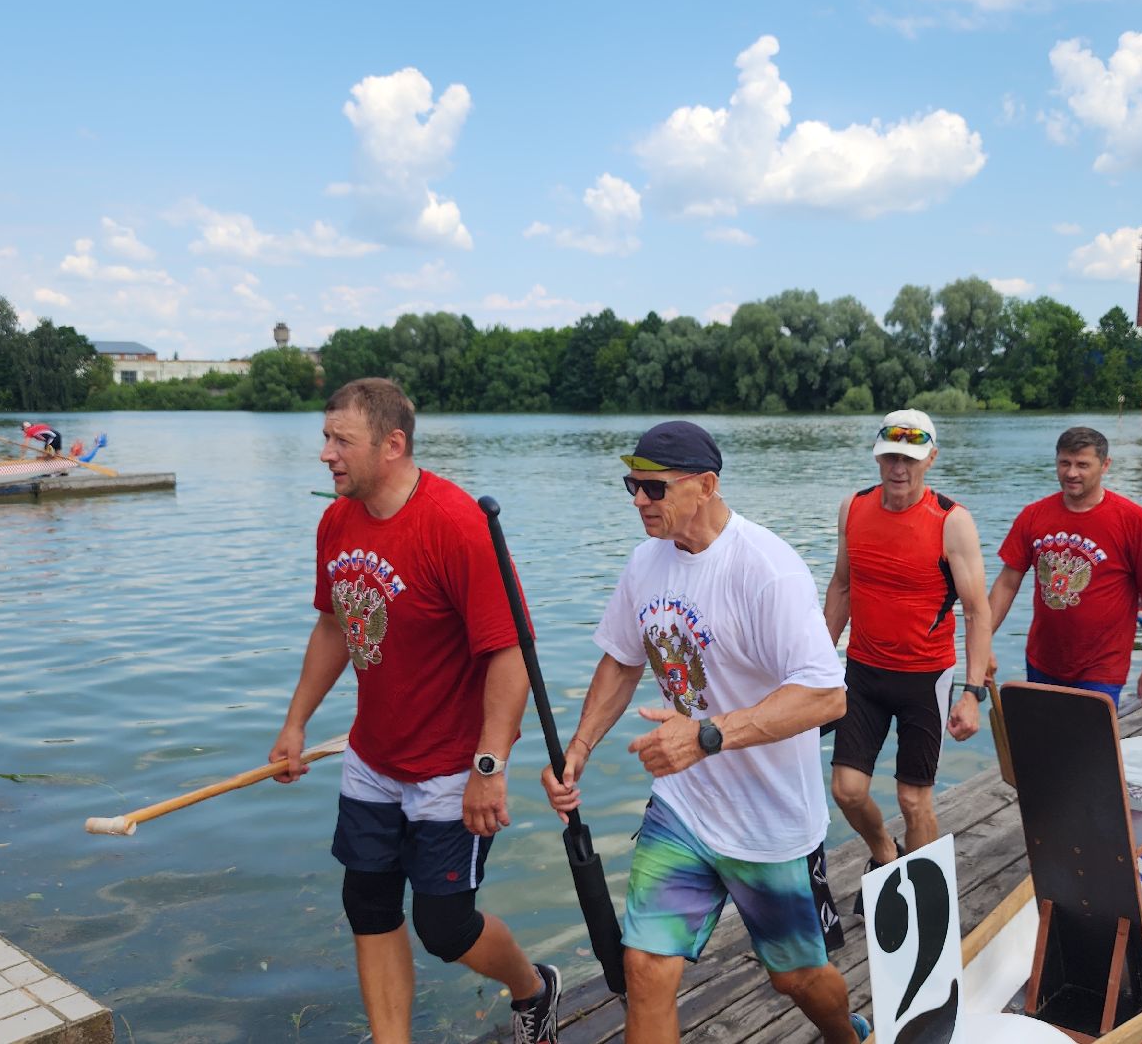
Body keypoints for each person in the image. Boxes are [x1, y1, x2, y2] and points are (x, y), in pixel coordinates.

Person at [545, 421, 869, 1044]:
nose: (638, 500)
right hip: (684, 809)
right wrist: (579, 748)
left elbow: (827, 696)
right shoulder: (645, 564)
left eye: (652, 488)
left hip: (771, 822)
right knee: (644, 968)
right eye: (630, 485)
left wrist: (707, 736)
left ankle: (845, 1036)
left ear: (706, 486)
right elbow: (622, 657)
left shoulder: (766, 569)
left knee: (798, 980)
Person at [267, 378, 558, 1044]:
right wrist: (296, 723)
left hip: (452, 766)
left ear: (392, 445)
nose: (326, 453)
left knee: (445, 927)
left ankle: (533, 988)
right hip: (373, 756)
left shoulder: (457, 526)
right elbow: (335, 627)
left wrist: (489, 765)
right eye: (325, 437)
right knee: (367, 906)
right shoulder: (336, 521)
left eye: (342, 439)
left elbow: (510, 654)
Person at [822, 409, 991, 913]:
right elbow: (842, 585)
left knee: (914, 799)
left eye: (911, 458)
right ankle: (884, 855)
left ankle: (924, 905)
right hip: (864, 673)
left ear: (931, 458)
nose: (899, 468)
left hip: (926, 678)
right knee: (848, 790)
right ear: (878, 457)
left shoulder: (951, 521)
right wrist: (817, 662)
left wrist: (971, 691)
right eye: (891, 456)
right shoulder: (852, 508)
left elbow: (977, 610)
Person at [989, 427, 1142, 713]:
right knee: (1043, 749)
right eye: (1065, 463)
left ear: (1105, 465)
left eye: (1082, 465)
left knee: (1085, 750)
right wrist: (981, 642)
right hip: (1043, 661)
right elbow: (1007, 583)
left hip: (1101, 668)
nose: (1071, 473)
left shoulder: (1132, 520)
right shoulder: (1034, 516)